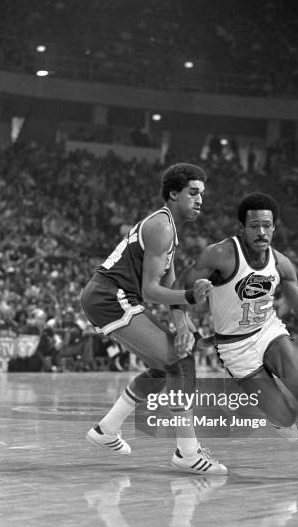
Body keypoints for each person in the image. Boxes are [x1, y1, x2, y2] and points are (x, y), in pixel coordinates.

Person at [185, 192, 298, 485]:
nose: (262, 232)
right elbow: (182, 289)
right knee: (286, 420)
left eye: (267, 225)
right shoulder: (219, 255)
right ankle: (279, 417)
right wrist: (185, 321)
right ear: (241, 227)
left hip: (269, 332)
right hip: (234, 347)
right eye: (254, 226)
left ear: (274, 227)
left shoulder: (281, 264)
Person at [81, 162, 227, 475]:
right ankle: (187, 452)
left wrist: (184, 326)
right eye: (193, 192)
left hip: (113, 297)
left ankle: (107, 429)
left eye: (202, 193)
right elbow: (151, 290)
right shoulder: (161, 226)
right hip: (110, 296)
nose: (200, 199)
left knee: (164, 368)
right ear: (173, 193)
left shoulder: (169, 230)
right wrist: (190, 297)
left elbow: (170, 286)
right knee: (181, 363)